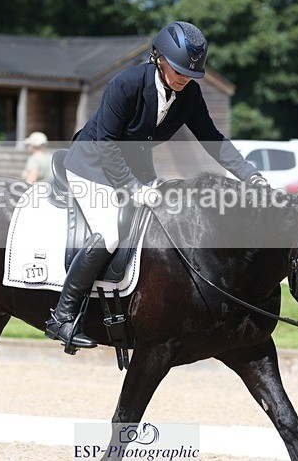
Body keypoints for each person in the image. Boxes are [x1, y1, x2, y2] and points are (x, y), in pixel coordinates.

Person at [45, 21, 268, 350]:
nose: (185, 78)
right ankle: (62, 316)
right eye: (179, 71)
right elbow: (107, 144)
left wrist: (250, 175)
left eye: (191, 74)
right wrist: (133, 187)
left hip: (137, 168)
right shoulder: (126, 84)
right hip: (91, 166)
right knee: (109, 231)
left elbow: (213, 139)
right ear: (158, 58)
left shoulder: (188, 94)